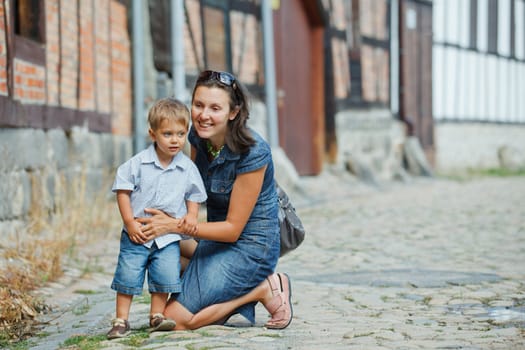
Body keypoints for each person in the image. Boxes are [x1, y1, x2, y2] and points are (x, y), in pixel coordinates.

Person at [136, 70, 293, 330]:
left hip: (250, 248)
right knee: (158, 248)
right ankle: (219, 292)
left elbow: (233, 230)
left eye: (215, 108)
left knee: (175, 322)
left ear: (233, 112)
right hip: (214, 240)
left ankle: (262, 289)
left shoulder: (253, 152)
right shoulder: (199, 137)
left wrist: (173, 226)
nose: (203, 115)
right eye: (198, 105)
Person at [107, 97, 207, 339]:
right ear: (153, 134)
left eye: (181, 134)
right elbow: (123, 190)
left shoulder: (187, 168)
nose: (175, 140)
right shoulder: (138, 163)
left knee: (165, 275)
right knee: (128, 274)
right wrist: (130, 223)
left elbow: (193, 194)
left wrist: (192, 215)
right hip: (137, 234)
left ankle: (157, 316)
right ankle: (121, 319)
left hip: (168, 237)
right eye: (168, 134)